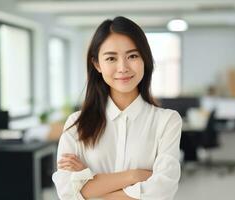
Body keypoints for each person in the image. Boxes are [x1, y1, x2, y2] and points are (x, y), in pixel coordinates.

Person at [52, 16, 182, 200]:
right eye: (111, 58)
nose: (123, 67)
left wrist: (90, 182)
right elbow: (66, 191)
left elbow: (162, 189)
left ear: (145, 59)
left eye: (133, 56)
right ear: (97, 64)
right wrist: (134, 176)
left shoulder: (167, 121)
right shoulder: (76, 124)